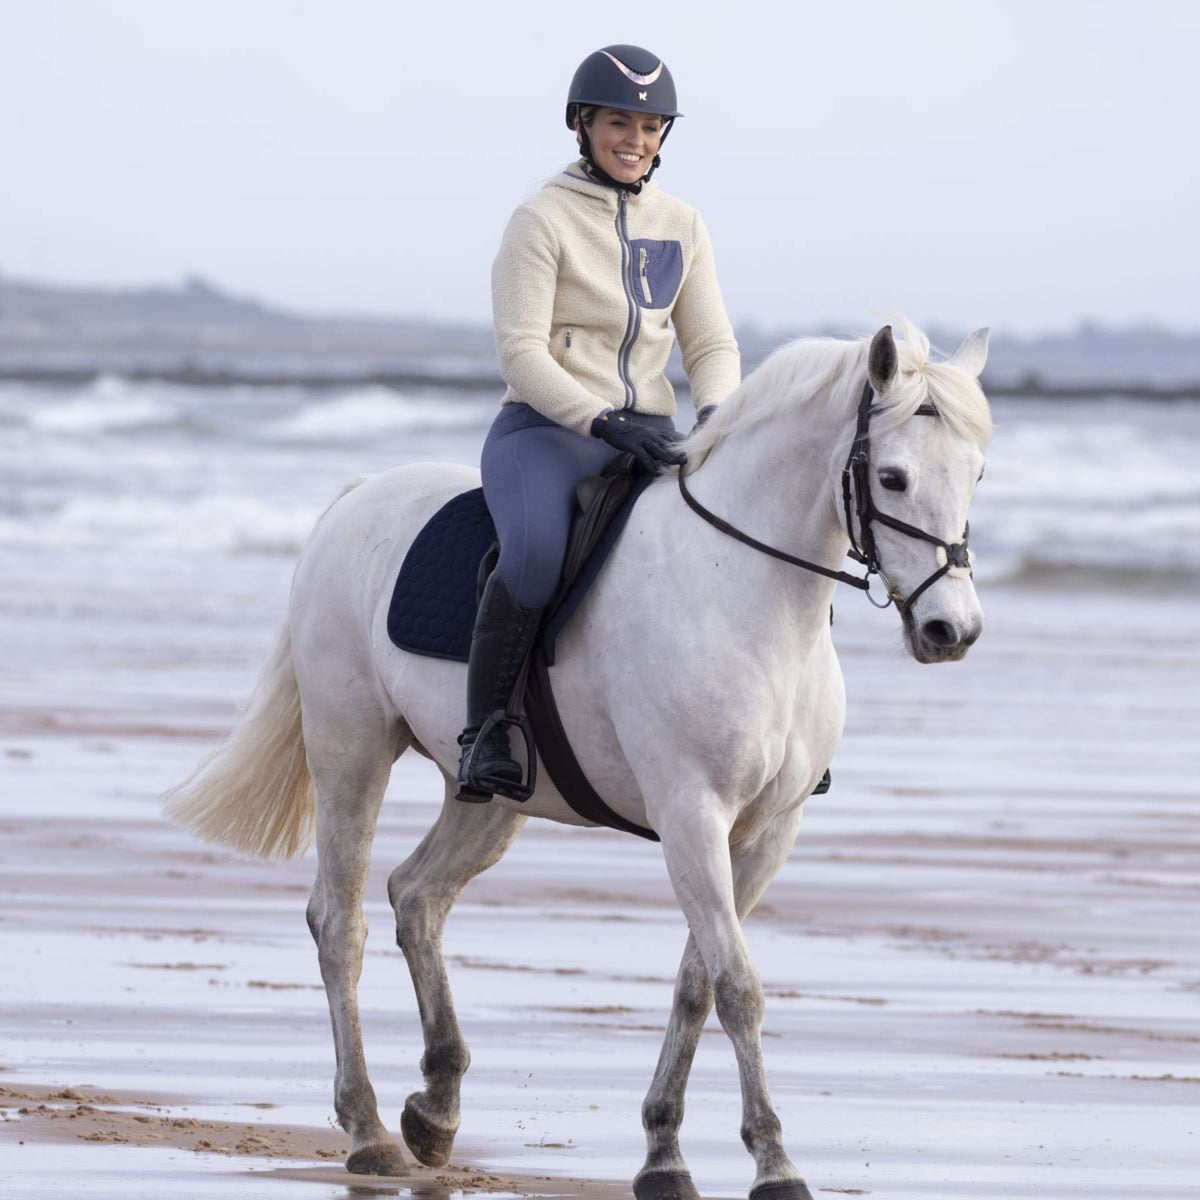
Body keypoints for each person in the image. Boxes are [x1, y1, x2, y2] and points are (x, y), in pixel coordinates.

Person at [456, 43, 741, 802]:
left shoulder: (683, 224)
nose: (636, 141)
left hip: (649, 437)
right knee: (536, 553)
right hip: (547, 435)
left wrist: (716, 417)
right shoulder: (539, 219)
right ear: (582, 124)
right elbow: (521, 352)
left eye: (652, 128)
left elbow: (709, 343)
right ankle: (484, 730)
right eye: (621, 122)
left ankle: (776, 729)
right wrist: (601, 420)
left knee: (747, 541)